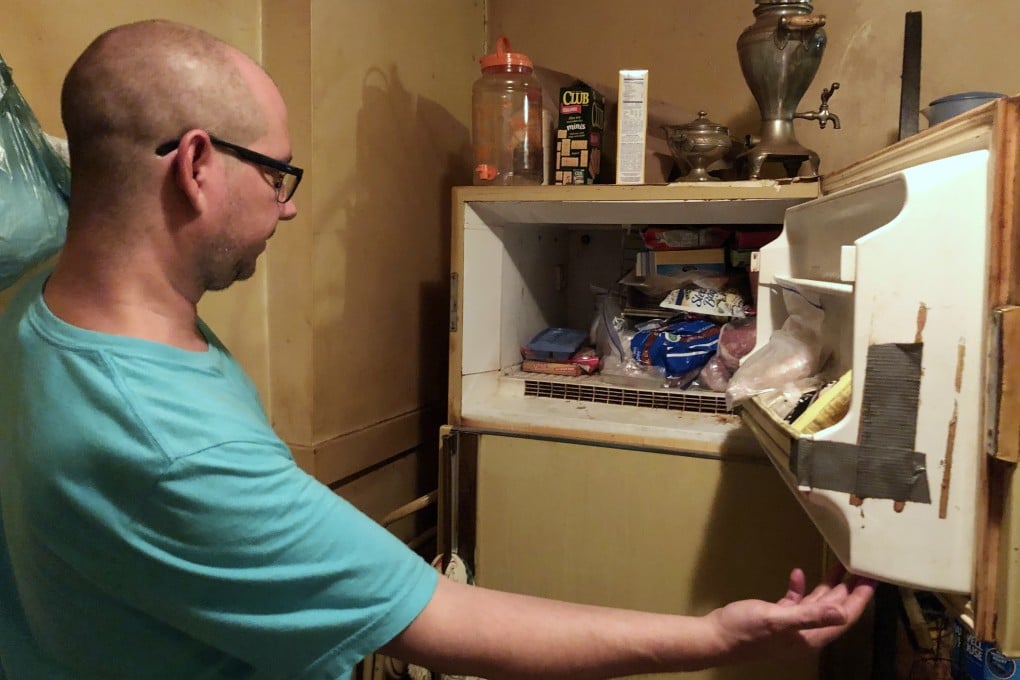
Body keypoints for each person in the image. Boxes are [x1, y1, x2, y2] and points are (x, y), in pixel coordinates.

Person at [0, 19, 875, 680]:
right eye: (278, 174)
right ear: (195, 165)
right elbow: (450, 619)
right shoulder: (179, 448)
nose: (290, 205)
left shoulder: (36, 293)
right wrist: (711, 636)